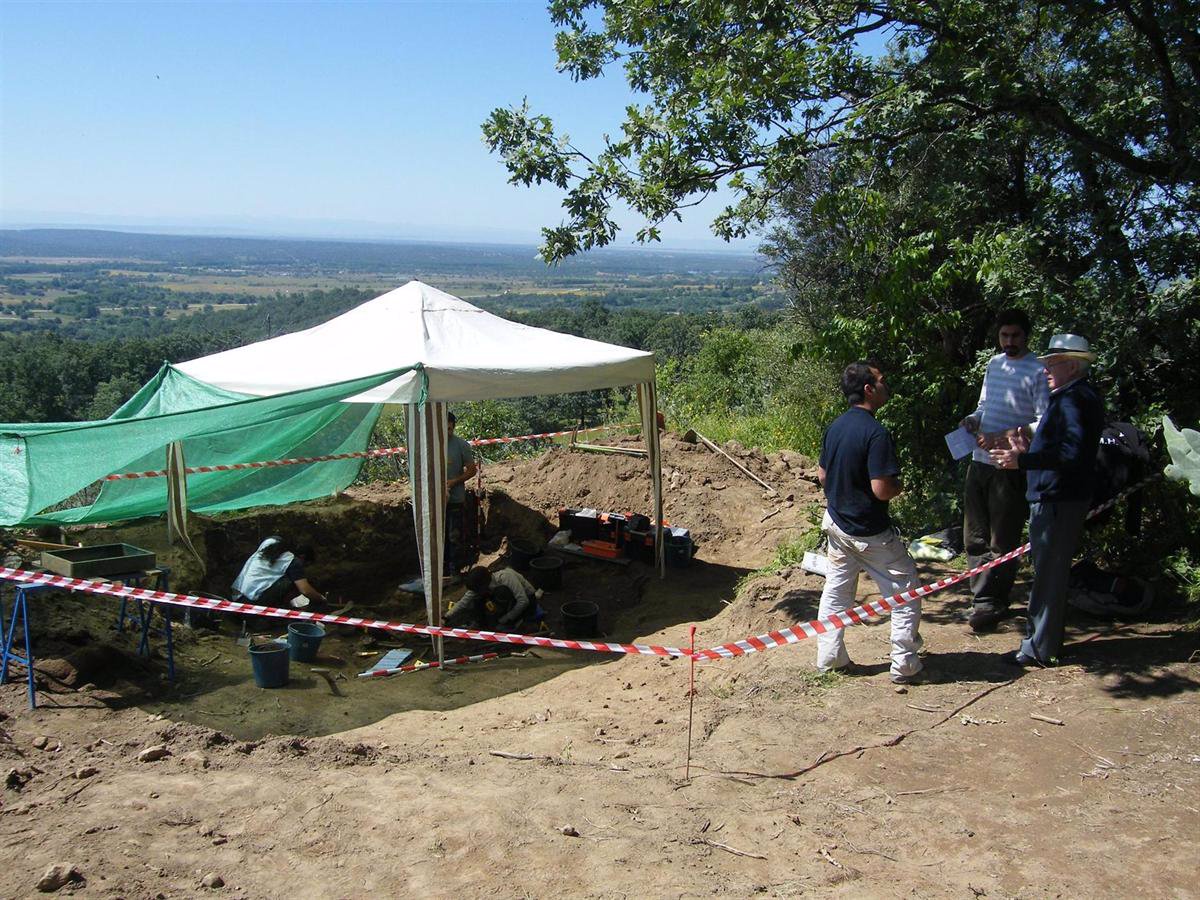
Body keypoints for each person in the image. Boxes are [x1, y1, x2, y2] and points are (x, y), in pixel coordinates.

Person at [990, 334, 1104, 667]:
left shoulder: (1073, 399)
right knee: (1048, 572)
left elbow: (1071, 453)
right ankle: (1041, 642)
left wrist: (1021, 462)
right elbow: (1065, 449)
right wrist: (1030, 452)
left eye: (1051, 364)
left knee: (1049, 575)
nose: (1045, 372)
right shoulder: (1076, 396)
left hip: (1057, 499)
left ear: (1070, 365)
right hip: (1058, 496)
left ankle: (1039, 648)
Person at [816, 361, 924, 684]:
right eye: (881, 381)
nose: (885, 385)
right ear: (868, 389)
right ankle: (904, 664)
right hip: (869, 532)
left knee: (836, 592)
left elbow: (822, 475)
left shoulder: (835, 427)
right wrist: (899, 485)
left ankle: (830, 658)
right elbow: (881, 489)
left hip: (836, 524)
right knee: (906, 588)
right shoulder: (876, 434)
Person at [960, 309, 1050, 632]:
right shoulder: (994, 365)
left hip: (1009, 464)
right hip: (979, 460)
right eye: (1004, 336)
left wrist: (1016, 432)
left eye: (1015, 336)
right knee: (974, 535)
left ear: (1026, 336)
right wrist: (972, 421)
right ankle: (980, 598)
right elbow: (984, 405)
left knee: (1003, 537)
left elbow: (1045, 419)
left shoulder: (1038, 369)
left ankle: (995, 600)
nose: (1009, 342)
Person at [231, 536, 329, 609]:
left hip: (237, 598)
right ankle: (265, 617)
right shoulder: (292, 561)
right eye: (305, 565)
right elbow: (305, 590)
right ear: (302, 557)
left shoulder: (270, 543)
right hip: (252, 604)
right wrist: (321, 598)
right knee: (292, 581)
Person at [444, 566, 545, 630]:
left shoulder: (505, 578)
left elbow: (523, 601)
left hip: (529, 600)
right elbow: (463, 602)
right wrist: (446, 617)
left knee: (502, 592)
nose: (476, 592)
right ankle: (481, 623)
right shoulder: (480, 585)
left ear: (483, 585)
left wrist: (506, 618)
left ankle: (516, 621)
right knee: (476, 599)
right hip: (505, 600)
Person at [444, 412, 478, 577]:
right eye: (443, 428)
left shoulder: (461, 445)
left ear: (453, 427)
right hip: (436, 500)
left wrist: (454, 482)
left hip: (455, 499)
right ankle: (441, 570)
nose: (447, 432)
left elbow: (472, 470)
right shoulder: (431, 444)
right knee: (439, 537)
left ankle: (454, 571)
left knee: (453, 536)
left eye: (449, 428)